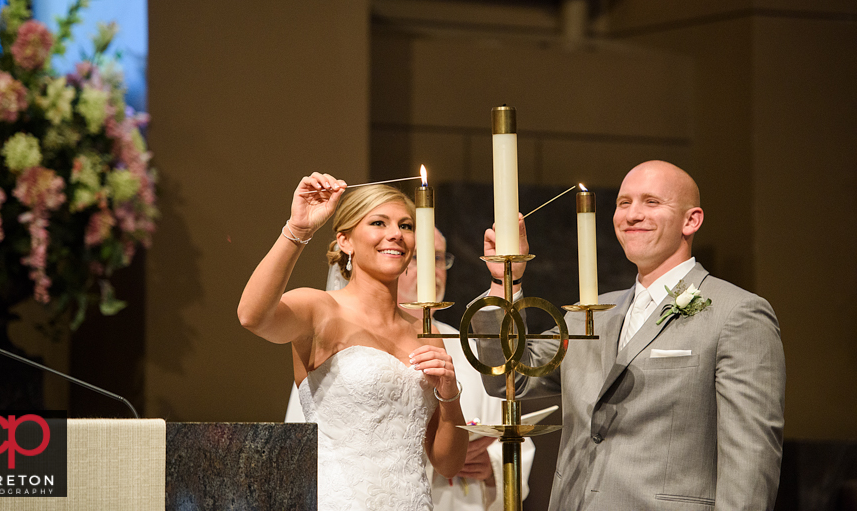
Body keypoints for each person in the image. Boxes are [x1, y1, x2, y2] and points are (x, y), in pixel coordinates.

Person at [473, 160, 786, 511]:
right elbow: (509, 376)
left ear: (691, 220)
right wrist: (504, 281)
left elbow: (751, 458)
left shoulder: (737, 313)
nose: (632, 214)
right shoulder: (588, 315)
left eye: (651, 202)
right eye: (624, 203)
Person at [238, 172, 468, 510]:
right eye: (379, 222)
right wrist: (299, 230)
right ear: (345, 241)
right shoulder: (319, 309)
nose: (396, 234)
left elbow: (448, 464)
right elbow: (252, 316)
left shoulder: (426, 331)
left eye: (406, 226)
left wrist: (449, 396)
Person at [286, 228, 537, 510]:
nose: (432, 269)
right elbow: (306, 437)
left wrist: (490, 466)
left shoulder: (468, 347)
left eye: (439, 258)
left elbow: (509, 429)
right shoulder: (337, 345)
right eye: (418, 257)